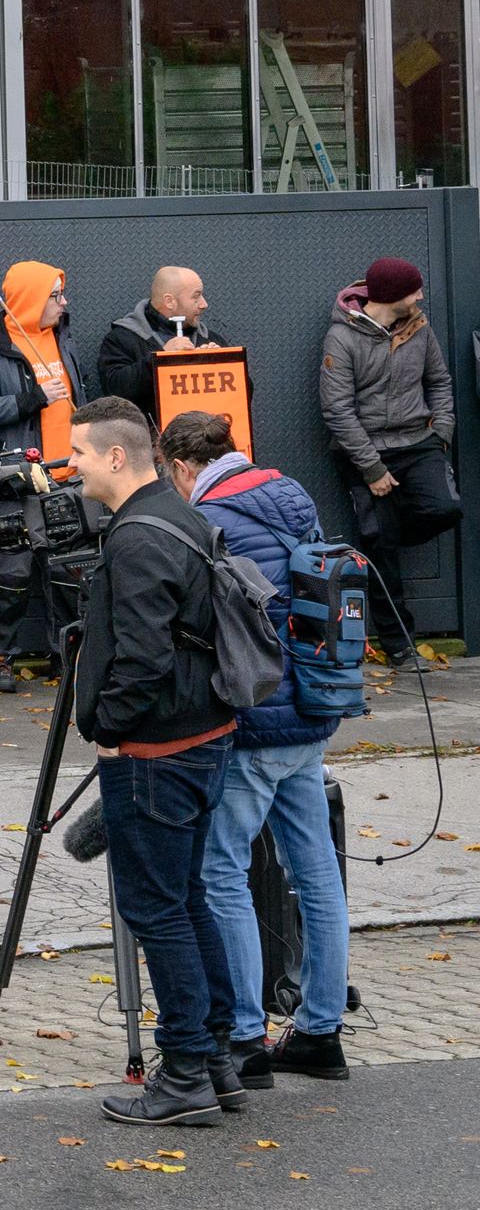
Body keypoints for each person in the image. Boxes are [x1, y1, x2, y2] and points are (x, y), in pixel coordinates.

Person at [65, 395, 243, 1128]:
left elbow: (140, 655)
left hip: (156, 751)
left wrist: (107, 726)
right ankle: (219, 1059)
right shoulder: (181, 513)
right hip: (202, 737)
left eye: (77, 452)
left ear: (115, 456)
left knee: (156, 909)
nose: (68, 466)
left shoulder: (137, 537)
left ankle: (186, 1074)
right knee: (186, 898)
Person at [171, 409, 350, 1089]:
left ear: (183, 466)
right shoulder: (292, 497)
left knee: (222, 871)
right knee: (317, 874)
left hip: (252, 722)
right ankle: (321, 1031)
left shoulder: (212, 518)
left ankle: (245, 1034)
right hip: (311, 709)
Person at [0, 261, 104, 689]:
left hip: (70, 475)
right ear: (30, 298)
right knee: (13, 573)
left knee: (68, 573)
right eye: (55, 296)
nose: (64, 304)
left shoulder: (64, 338)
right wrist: (33, 398)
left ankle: (66, 657)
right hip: (19, 476)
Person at [318, 256, 457, 668]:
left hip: (419, 442)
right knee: (380, 547)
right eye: (415, 290)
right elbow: (337, 411)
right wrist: (373, 469)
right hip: (365, 450)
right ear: (394, 295)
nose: (421, 296)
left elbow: (440, 381)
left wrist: (442, 434)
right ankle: (399, 645)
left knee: (445, 508)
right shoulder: (341, 338)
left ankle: (391, 530)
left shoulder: (419, 327)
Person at [100, 266, 216, 414]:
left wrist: (223, 362)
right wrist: (159, 358)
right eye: (196, 296)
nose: (204, 304)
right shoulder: (121, 339)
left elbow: (242, 395)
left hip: (203, 434)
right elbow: (114, 390)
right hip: (149, 435)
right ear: (169, 301)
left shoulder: (208, 339)